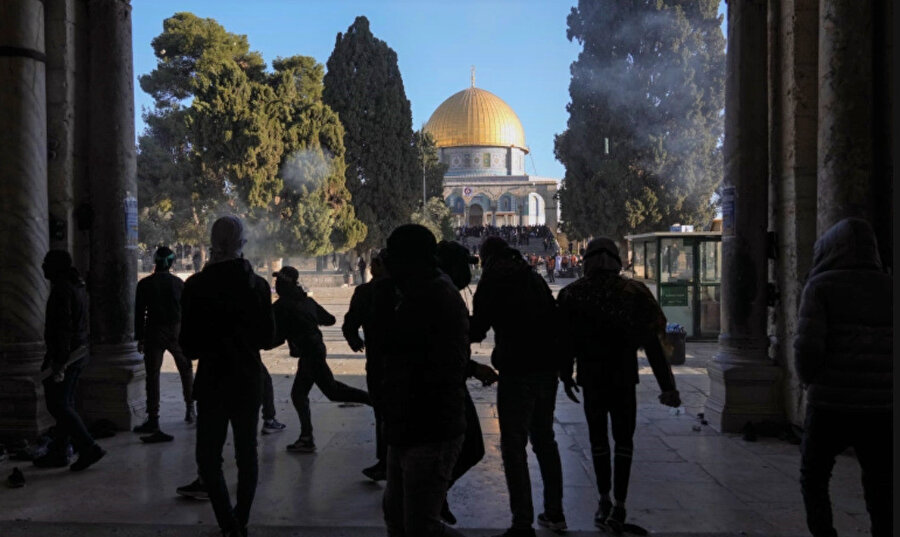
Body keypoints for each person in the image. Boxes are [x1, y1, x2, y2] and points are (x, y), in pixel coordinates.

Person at [557, 237, 680, 532]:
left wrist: (565, 375)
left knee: (598, 440)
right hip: (623, 378)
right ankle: (620, 506)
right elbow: (653, 343)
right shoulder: (634, 293)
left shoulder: (573, 294)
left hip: (591, 378)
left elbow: (564, 341)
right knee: (624, 441)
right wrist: (667, 386)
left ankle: (604, 500)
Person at [794, 218, 892, 537]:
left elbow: (808, 346)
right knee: (882, 482)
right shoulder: (889, 286)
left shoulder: (821, 286)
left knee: (815, 476)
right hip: (881, 406)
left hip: (830, 403)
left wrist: (808, 380)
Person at [179, 215, 276, 537]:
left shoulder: (196, 286)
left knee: (209, 458)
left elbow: (189, 347)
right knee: (247, 454)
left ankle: (228, 524)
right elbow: (267, 338)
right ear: (242, 242)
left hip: (212, 381)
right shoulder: (258, 285)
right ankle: (242, 520)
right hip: (248, 379)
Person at [471, 237, 566, 537]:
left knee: (514, 447)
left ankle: (522, 522)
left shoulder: (493, 281)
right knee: (545, 441)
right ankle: (555, 513)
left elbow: (477, 330)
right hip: (546, 370)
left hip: (517, 370)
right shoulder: (533, 278)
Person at [379, 224, 469, 537]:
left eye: (395, 256)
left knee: (421, 526)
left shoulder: (434, 296)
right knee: (396, 516)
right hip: (407, 425)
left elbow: (434, 362)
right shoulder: (415, 291)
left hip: (431, 427)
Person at [272, 265, 371, 453]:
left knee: (331, 391)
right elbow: (330, 319)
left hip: (310, 353)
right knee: (300, 394)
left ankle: (371, 400)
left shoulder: (282, 305)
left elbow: (273, 335)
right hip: (316, 349)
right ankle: (306, 437)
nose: (276, 285)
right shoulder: (305, 301)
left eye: (278, 281)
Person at [33, 250, 106, 471]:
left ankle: (88, 447)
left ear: (56, 267)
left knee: (59, 404)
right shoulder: (76, 286)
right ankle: (61, 450)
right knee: (65, 403)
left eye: (46, 263)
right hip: (77, 352)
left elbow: (63, 327)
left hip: (67, 355)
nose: (42, 266)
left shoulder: (62, 290)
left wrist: (59, 362)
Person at [134, 246, 195, 437]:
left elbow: (139, 314)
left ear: (155, 261)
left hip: (154, 331)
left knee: (152, 376)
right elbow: (186, 311)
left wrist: (140, 338)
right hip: (177, 331)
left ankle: (153, 419)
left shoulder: (145, 284)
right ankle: (190, 410)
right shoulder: (178, 283)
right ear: (172, 263)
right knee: (186, 371)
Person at [342, 252, 392, 480]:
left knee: (383, 413)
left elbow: (350, 323)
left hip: (379, 363)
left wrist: (354, 340)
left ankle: (386, 462)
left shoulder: (366, 292)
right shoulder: (407, 290)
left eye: (376, 264)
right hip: (400, 363)